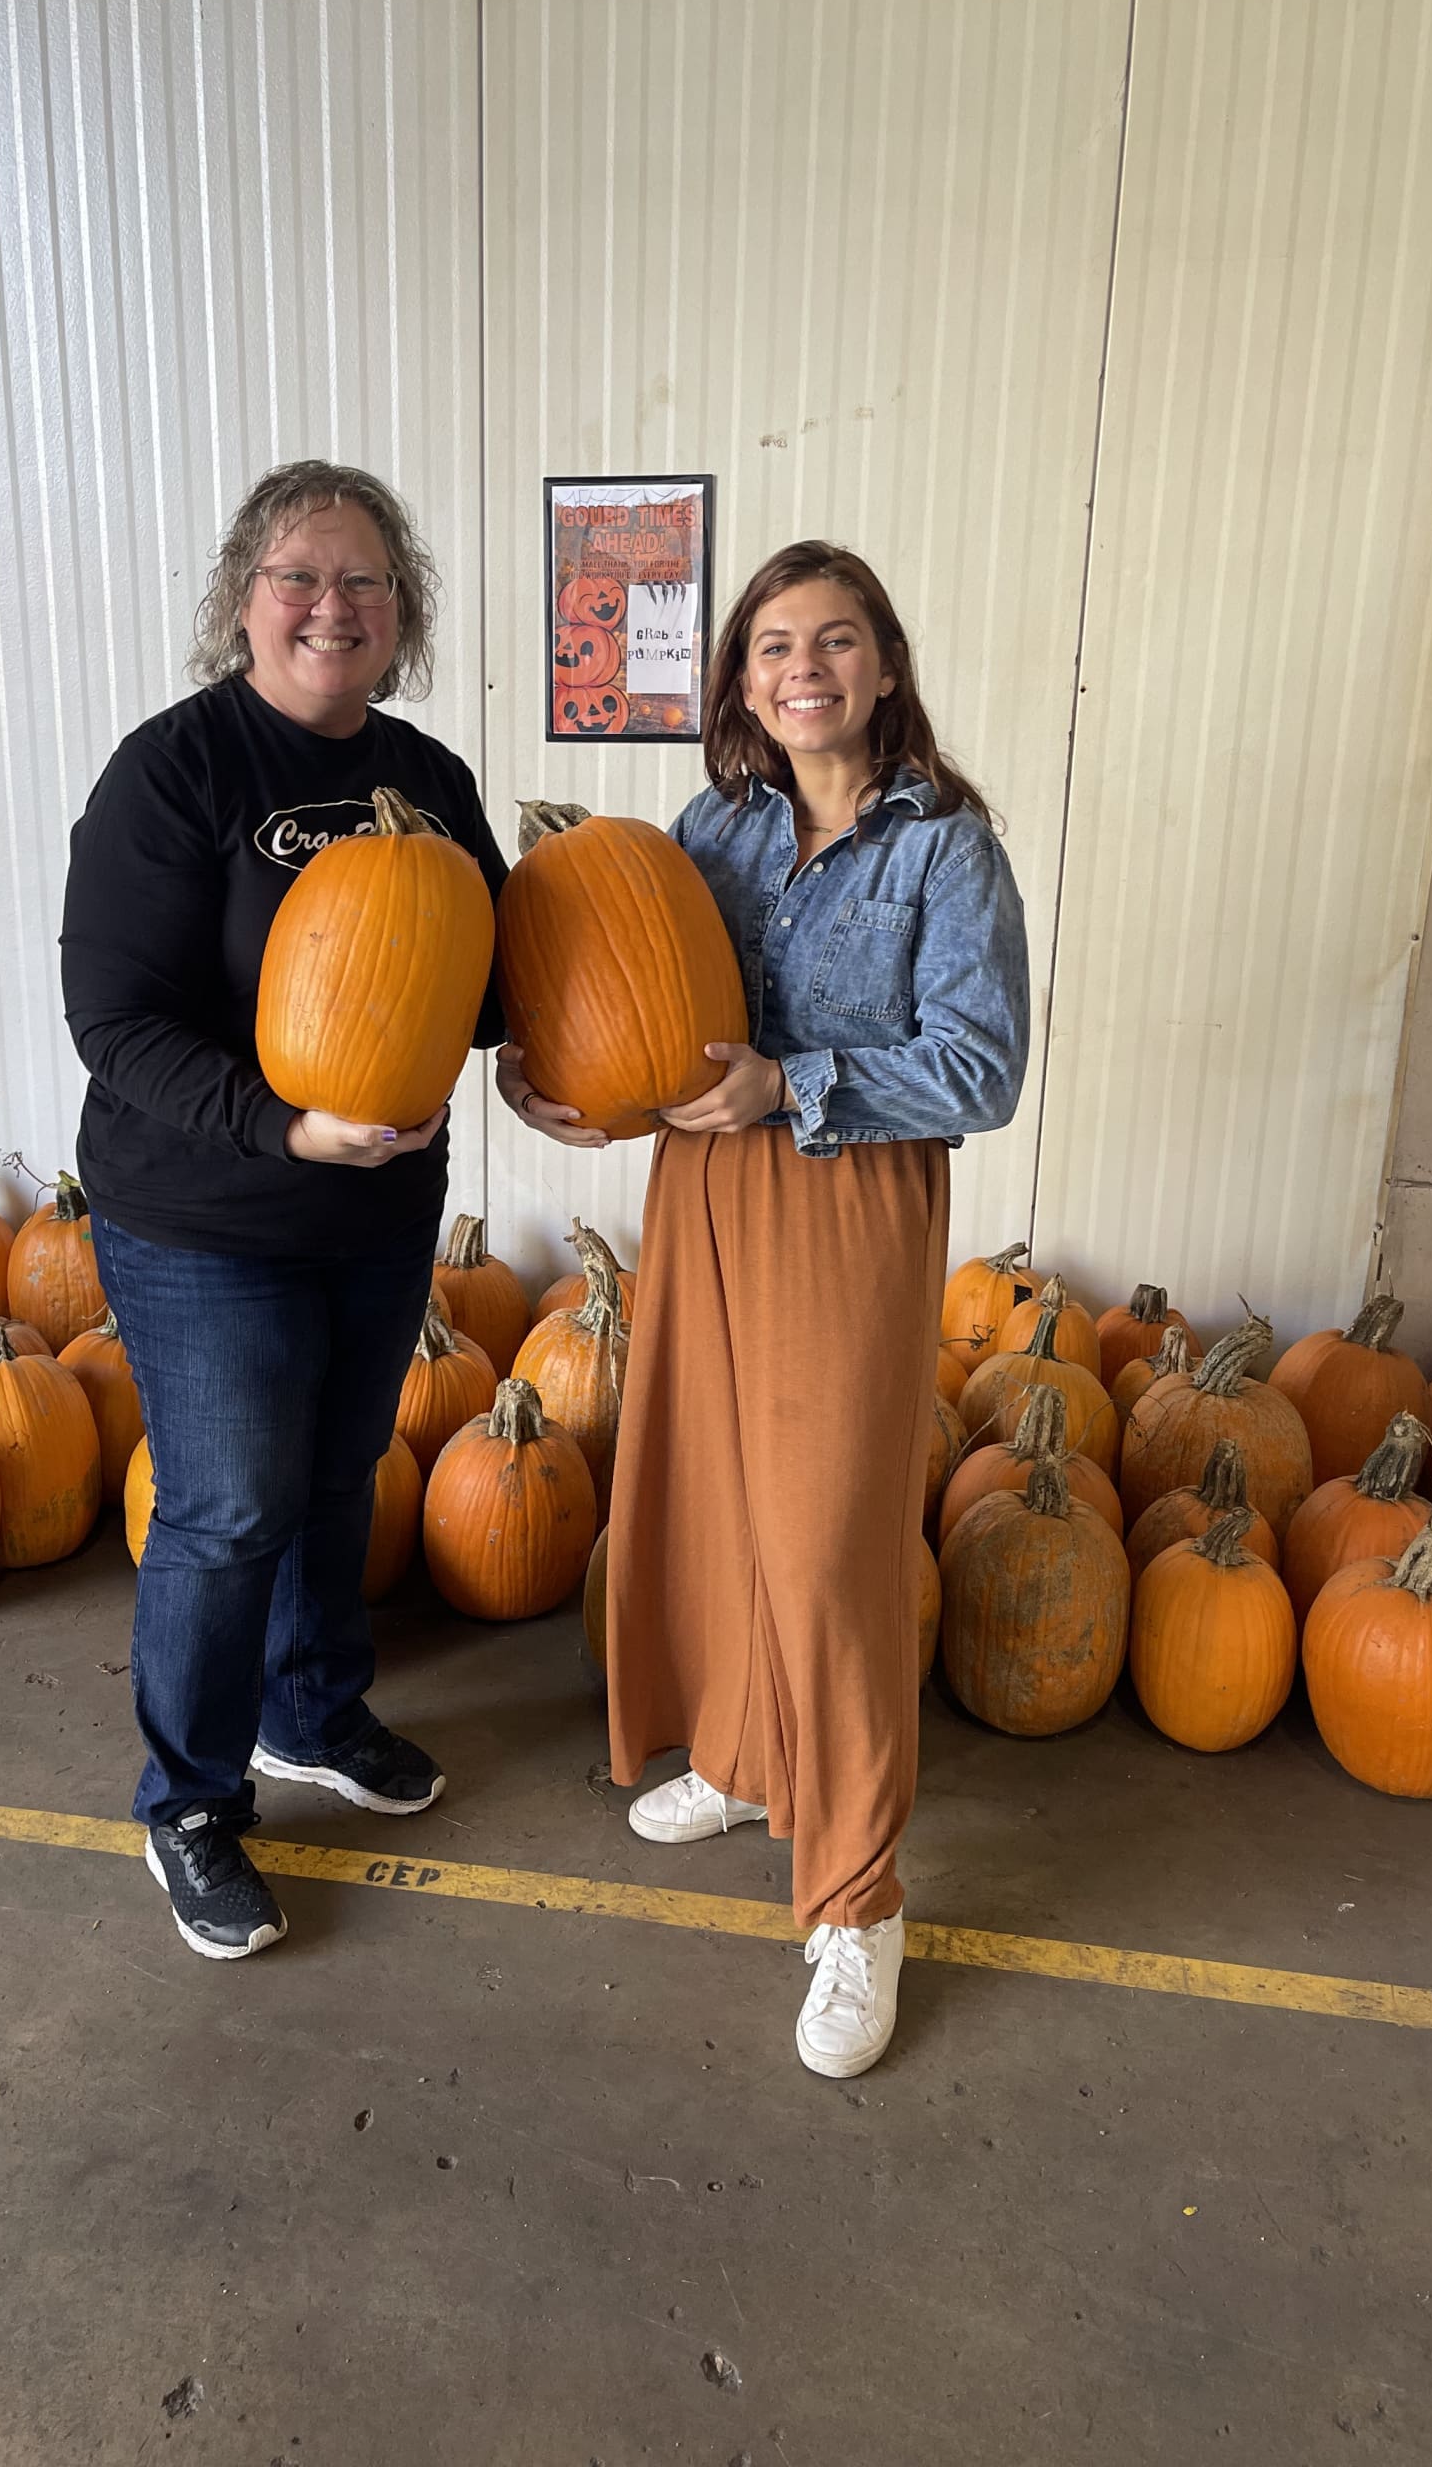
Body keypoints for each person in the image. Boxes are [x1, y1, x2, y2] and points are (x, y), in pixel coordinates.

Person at [513, 540, 1029, 2080]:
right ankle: (744, 1756)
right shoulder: (711, 830)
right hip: (704, 1188)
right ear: (740, 681)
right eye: (775, 646)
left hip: (847, 1199)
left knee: (824, 1550)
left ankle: (861, 1903)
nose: (807, 668)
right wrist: (575, 1095)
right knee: (717, 1503)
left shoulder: (946, 848)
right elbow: (656, 1023)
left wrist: (792, 1085)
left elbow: (980, 1069)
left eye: (837, 640)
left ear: (885, 667)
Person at [60, 460, 528, 1962]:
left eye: (365, 581)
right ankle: (191, 1801)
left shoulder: (430, 777)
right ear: (243, 602)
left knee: (338, 1474)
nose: (334, 605)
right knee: (227, 1506)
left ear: (402, 613)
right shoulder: (176, 771)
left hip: (377, 1211)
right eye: (300, 577)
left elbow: (486, 983)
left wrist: (554, 1058)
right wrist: (282, 1126)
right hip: (205, 1216)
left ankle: (311, 1714)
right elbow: (114, 1020)